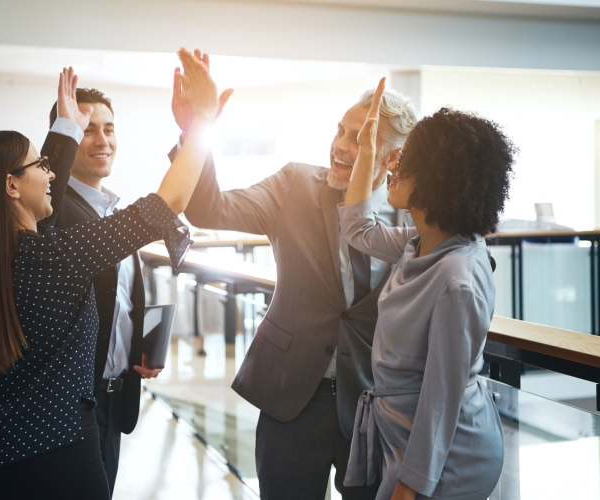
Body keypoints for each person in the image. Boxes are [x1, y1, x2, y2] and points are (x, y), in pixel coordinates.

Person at [0, 51, 219, 500]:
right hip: (57, 461)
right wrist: (202, 124)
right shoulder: (54, 259)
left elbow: (43, 205)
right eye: (40, 166)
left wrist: (67, 127)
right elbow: (169, 202)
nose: (51, 174)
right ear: (11, 186)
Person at [172, 51, 417, 499]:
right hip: (291, 397)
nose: (340, 145)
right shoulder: (294, 184)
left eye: (358, 139)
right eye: (339, 131)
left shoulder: (415, 218)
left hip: (371, 405)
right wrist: (195, 132)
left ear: (393, 157)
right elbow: (208, 207)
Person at [340, 79, 513, 500]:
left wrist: (410, 485)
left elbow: (441, 398)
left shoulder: (458, 278)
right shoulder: (419, 242)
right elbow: (357, 228)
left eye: (408, 162)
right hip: (405, 437)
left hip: (449, 457)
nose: (394, 167)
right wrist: (367, 153)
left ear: (438, 180)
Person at [38, 87, 160, 494]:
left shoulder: (114, 208)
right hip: (71, 403)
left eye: (109, 129)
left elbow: (119, 301)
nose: (102, 140)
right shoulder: (51, 211)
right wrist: (63, 131)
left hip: (115, 396)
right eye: (88, 130)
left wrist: (140, 347)